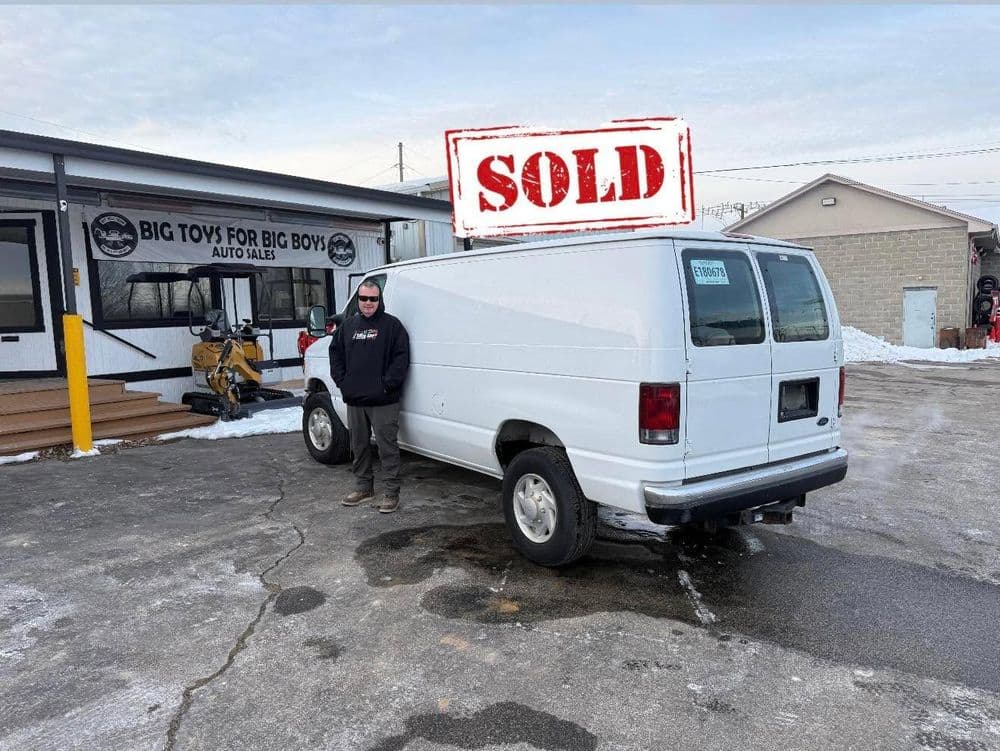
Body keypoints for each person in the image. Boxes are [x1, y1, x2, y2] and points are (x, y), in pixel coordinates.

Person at [330, 281, 410, 513]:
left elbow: (401, 359)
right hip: (355, 399)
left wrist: (387, 385)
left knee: (387, 448)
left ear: (379, 300)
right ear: (358, 300)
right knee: (359, 446)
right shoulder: (348, 326)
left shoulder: (392, 326)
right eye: (363, 298)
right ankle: (364, 488)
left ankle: (391, 493)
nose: (368, 303)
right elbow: (335, 354)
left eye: (373, 299)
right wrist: (343, 383)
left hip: (384, 400)